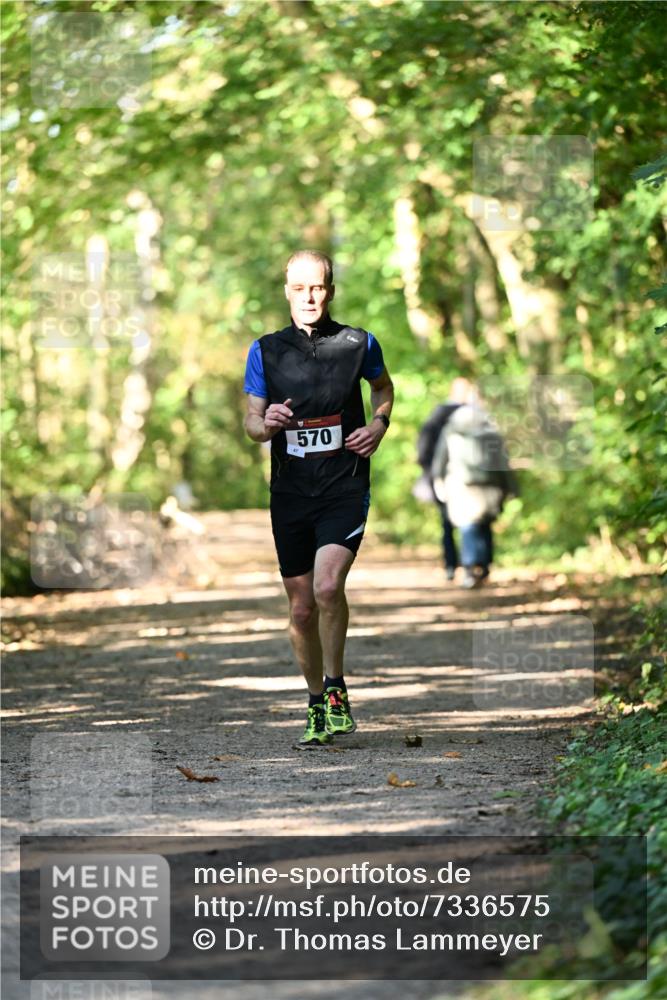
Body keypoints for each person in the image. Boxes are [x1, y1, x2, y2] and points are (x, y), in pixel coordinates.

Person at [243, 250, 394, 748]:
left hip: (344, 484)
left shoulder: (358, 342)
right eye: (300, 288)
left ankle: (336, 689)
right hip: (290, 491)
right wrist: (265, 427)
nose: (310, 297)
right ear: (287, 290)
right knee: (302, 608)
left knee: (329, 587)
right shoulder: (264, 351)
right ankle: (313, 703)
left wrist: (378, 425)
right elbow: (250, 422)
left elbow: (383, 388)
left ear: (330, 290)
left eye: (319, 288)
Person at [430, 402, 518, 588]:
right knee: (483, 525)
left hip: (460, 486)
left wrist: (439, 482)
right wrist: (511, 488)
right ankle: (483, 566)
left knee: (468, 526)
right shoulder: (492, 434)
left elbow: (440, 460)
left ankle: (471, 569)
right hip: (489, 487)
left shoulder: (451, 431)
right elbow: (503, 465)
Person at [416, 379, 476, 580]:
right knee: (473, 521)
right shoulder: (475, 415)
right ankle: (475, 564)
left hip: (444, 477)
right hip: (472, 478)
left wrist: (430, 473)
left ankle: (452, 565)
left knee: (448, 522)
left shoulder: (438, 414)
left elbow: (423, 447)